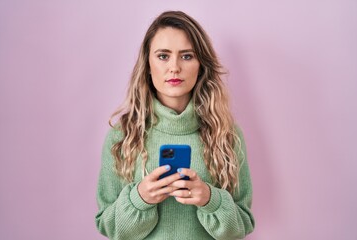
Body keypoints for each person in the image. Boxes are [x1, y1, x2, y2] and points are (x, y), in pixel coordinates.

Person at [95, 10, 255, 240]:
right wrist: (139, 198)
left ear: (201, 64)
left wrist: (210, 199)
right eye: (163, 56)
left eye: (187, 56)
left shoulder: (226, 134)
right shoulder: (122, 135)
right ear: (148, 64)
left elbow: (242, 225)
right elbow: (108, 227)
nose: (174, 67)